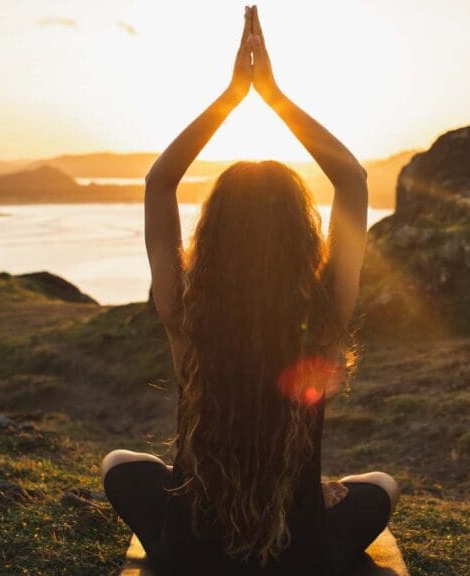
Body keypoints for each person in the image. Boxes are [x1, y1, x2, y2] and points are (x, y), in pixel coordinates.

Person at [101, 6, 398, 575]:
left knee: (120, 461)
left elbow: (159, 180)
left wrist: (234, 94)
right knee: (381, 483)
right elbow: (353, 179)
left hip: (190, 550)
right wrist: (275, 95)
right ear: (299, 232)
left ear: (213, 232)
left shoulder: (187, 314)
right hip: (302, 551)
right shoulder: (324, 312)